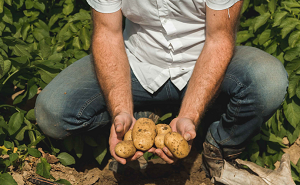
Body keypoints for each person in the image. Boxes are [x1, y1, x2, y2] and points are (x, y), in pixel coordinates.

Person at [35, 0, 288, 179]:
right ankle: (140, 114)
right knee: (53, 112)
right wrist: (121, 111)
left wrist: (189, 115)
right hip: (136, 61)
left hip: (205, 62)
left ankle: (218, 146)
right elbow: (107, 34)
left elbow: (218, 40)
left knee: (267, 79)